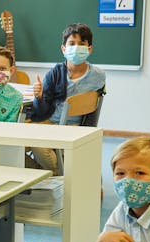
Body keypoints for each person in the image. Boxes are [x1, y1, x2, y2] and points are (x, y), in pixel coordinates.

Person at [29, 23, 106, 174]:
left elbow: (95, 107)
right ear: (63, 49)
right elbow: (42, 110)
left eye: (81, 43)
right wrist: (38, 96)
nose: (76, 47)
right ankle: (58, 173)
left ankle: (54, 174)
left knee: (38, 145)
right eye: (72, 43)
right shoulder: (55, 73)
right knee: (33, 141)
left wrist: (88, 135)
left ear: (89, 48)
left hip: (76, 127)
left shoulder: (98, 76)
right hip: (51, 121)